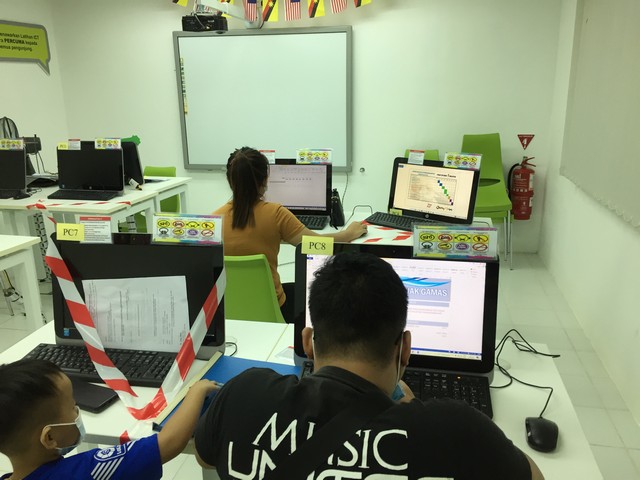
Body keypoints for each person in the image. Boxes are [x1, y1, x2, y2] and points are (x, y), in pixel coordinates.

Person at [194, 252, 545, 480]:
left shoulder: (243, 394)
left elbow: (206, 458)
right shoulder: (460, 432)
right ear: (404, 349)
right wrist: (414, 411)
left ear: (307, 342)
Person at [213, 147, 367, 322]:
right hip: (273, 308)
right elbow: (317, 245)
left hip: (227, 311)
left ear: (230, 180)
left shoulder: (213, 222)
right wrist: (348, 233)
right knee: (310, 291)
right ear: (265, 179)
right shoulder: (275, 214)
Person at [0, 358, 219, 480]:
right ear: (49, 438)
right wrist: (196, 391)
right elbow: (170, 442)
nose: (77, 411)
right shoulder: (88, 470)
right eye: (72, 407)